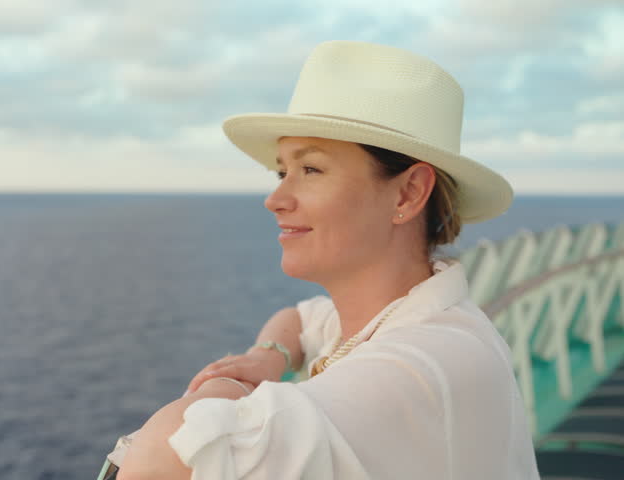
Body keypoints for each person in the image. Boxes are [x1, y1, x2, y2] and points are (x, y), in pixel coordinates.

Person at [115, 41, 540, 479]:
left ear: (408, 192)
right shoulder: (392, 316)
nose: (275, 199)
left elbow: (174, 450)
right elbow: (299, 320)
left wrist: (223, 388)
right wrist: (270, 355)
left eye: (311, 169)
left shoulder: (426, 366)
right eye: (282, 172)